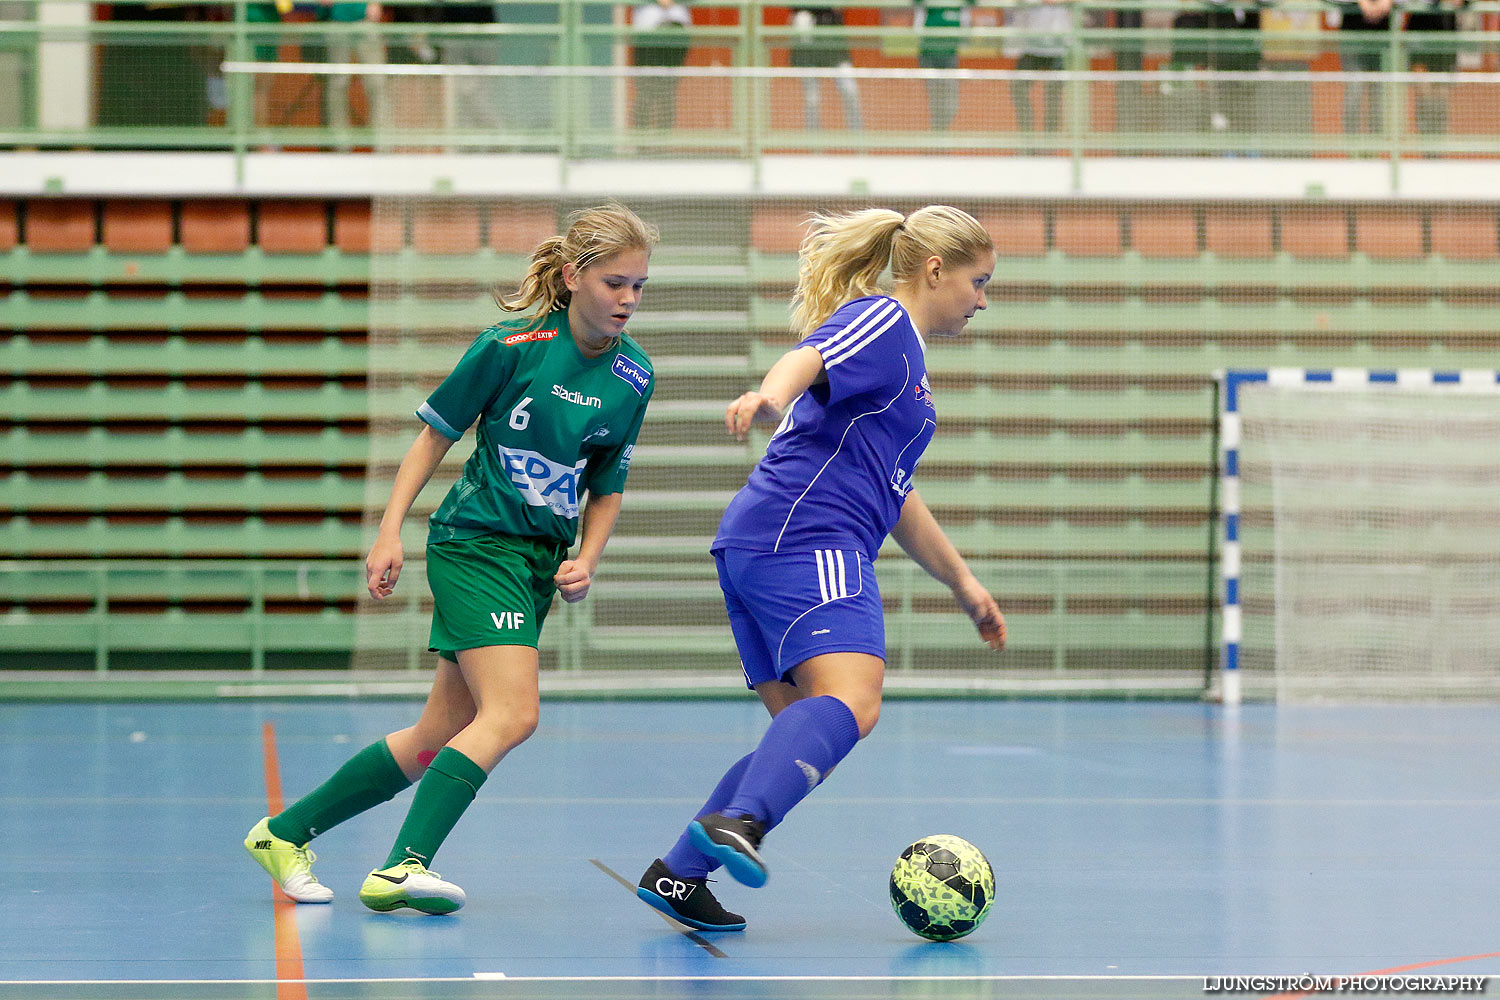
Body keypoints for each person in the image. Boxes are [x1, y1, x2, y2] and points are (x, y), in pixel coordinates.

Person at [244, 204, 659, 914]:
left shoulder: (635, 374)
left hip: (536, 567)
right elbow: (432, 438)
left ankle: (284, 833)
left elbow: (607, 483)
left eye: (639, 287)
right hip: (476, 545)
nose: (627, 299)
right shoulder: (511, 346)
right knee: (513, 713)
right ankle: (405, 864)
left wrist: (587, 556)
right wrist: (388, 531)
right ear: (572, 277)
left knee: (439, 733)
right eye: (615, 283)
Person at [634, 206, 1007, 932]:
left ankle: (680, 873)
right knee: (855, 700)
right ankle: (739, 821)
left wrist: (963, 583)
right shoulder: (887, 324)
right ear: (935, 271)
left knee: (805, 730)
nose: (983, 300)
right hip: (808, 538)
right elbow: (812, 355)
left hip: (765, 542)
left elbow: (895, 496)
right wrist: (770, 395)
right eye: (979, 281)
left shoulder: (908, 370)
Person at [790, 6, 864, 131]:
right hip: (809, 51)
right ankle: (813, 142)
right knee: (812, 99)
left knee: (850, 90)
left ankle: (858, 137)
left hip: (835, 48)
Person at [1006, 0, 1072, 138]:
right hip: (1032, 47)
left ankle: (1050, 140)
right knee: (1017, 88)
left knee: (1053, 94)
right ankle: (1027, 137)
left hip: (1059, 49)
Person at [1332, 0, 1397, 135]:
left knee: (1378, 94)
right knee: (1355, 88)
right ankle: (1352, 145)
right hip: (1352, 36)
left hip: (1382, 38)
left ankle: (1376, 146)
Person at [632, 0, 692, 131]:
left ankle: (663, 143)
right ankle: (641, 142)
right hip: (647, 35)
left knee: (668, 93)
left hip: (677, 34)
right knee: (645, 93)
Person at [915, 0, 975, 130]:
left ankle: (939, 133)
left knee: (952, 103)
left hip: (950, 54)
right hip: (928, 53)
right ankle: (938, 137)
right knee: (936, 99)